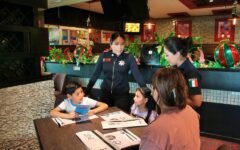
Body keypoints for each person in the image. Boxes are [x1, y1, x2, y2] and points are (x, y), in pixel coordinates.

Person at [140, 68, 200, 150]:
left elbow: (197, 101)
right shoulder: (192, 113)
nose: (151, 91)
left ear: (157, 92)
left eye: (153, 87)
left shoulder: (155, 131)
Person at [85, 32, 146, 112]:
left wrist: (146, 92)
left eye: (122, 44)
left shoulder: (129, 57)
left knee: (122, 120)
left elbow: (137, 75)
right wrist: (87, 91)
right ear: (111, 44)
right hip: (105, 94)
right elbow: (95, 74)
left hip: (122, 96)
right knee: (103, 119)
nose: (119, 47)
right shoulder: (104, 55)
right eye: (116, 44)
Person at [164, 36, 202, 107]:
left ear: (177, 53)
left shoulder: (191, 73)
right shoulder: (174, 68)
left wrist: (173, 96)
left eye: (167, 55)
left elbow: (197, 103)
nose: (165, 58)